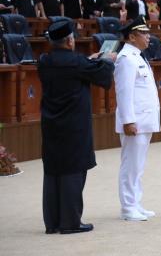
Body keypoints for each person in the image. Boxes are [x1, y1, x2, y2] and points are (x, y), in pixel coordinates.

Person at [38, 20, 115, 234]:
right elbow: (101, 75)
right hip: (74, 126)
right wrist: (107, 61)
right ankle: (70, 223)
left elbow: (75, 67)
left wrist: (88, 61)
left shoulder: (44, 61)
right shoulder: (77, 63)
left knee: (53, 171)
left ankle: (52, 222)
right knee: (73, 170)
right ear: (70, 40)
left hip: (51, 125)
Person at [115, 16, 161, 221]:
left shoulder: (139, 56)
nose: (148, 37)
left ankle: (136, 203)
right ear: (132, 37)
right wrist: (128, 121)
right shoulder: (126, 58)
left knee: (138, 166)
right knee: (130, 166)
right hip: (135, 122)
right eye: (144, 33)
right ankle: (127, 208)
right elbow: (123, 92)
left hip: (145, 119)